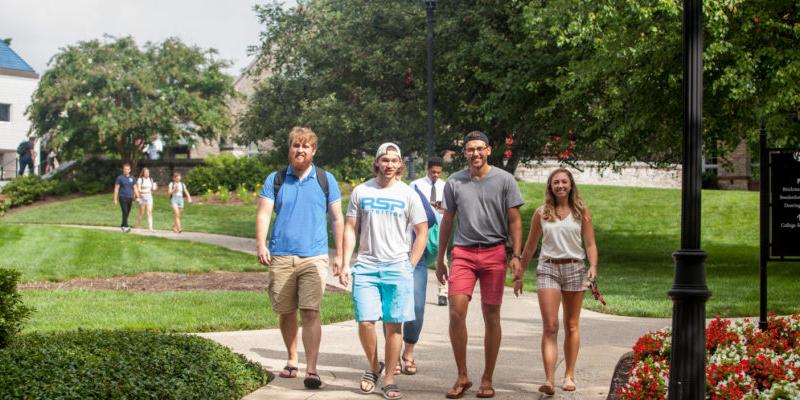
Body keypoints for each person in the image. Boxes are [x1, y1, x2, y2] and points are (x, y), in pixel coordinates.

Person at [436, 130, 524, 399]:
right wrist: (440, 258)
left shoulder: (505, 180)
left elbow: (515, 221)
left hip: (494, 252)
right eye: (470, 149)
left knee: (491, 316)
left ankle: (487, 378)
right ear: (464, 153)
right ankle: (463, 376)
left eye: (479, 148)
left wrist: (517, 256)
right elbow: (448, 221)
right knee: (456, 312)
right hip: (462, 253)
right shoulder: (454, 182)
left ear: (488, 150)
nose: (475, 153)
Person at [255, 127, 344, 390]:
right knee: (285, 312)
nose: (300, 150)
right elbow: (263, 214)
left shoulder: (326, 179)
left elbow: (337, 218)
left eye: (305, 146)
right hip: (281, 256)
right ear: (289, 148)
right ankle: (292, 359)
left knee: (310, 311)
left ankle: (312, 369)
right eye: (296, 145)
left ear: (313, 150)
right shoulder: (276, 179)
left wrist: (339, 253)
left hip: (314, 257)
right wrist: (261, 243)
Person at [340, 142, 427, 400]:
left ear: (400, 164)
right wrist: (345, 262)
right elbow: (349, 228)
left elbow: (422, 231)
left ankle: (389, 378)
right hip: (366, 266)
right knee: (365, 321)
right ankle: (373, 365)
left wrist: (410, 263)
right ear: (377, 162)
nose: (389, 165)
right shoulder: (361, 191)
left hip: (397, 267)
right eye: (384, 160)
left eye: (394, 160)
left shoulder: (408, 194)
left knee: (393, 326)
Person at [518, 167, 598, 395]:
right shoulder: (541, 213)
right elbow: (531, 246)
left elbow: (590, 244)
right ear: (550, 187)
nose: (560, 186)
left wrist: (593, 266)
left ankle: (569, 375)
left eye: (564, 182)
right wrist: (520, 272)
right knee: (550, 326)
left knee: (572, 324)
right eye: (556, 183)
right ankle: (549, 380)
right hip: (548, 269)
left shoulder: (581, 212)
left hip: (575, 268)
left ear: (571, 185)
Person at [410, 156, 449, 307]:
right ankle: (416, 289)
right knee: (418, 257)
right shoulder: (416, 185)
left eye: (439, 172)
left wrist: (441, 206)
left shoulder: (445, 186)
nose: (436, 175)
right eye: (433, 172)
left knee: (442, 257)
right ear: (428, 170)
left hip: (439, 225)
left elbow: (450, 208)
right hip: (421, 225)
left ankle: (443, 292)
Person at [113, 163, 137, 233]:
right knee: (125, 211)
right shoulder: (120, 178)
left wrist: (137, 196)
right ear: (123, 170)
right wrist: (115, 199)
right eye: (125, 169)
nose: (126, 170)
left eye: (127, 169)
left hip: (130, 197)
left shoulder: (132, 178)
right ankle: (126, 227)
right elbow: (116, 188)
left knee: (127, 212)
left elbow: (135, 188)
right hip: (122, 197)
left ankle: (123, 224)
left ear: (130, 170)